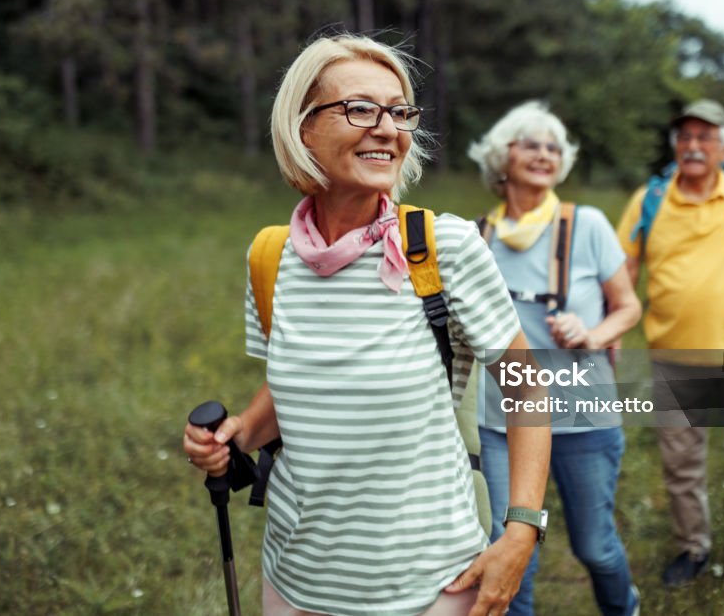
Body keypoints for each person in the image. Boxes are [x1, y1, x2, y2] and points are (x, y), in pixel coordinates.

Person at [183, 34, 551, 616]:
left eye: (399, 112)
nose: (387, 129)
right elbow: (297, 386)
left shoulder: (446, 248)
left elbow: (527, 389)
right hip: (296, 580)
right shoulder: (271, 257)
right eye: (360, 109)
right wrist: (238, 433)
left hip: (430, 586)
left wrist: (523, 530)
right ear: (304, 128)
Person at [468, 101, 642, 616]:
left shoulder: (588, 225)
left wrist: (592, 334)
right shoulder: (476, 237)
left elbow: (628, 306)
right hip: (502, 421)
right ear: (502, 157)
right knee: (510, 552)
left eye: (553, 147)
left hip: (582, 416)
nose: (544, 154)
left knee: (595, 546)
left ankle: (624, 608)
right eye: (531, 144)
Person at [614, 99, 724, 587]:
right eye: (686, 137)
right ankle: (692, 547)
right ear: (676, 146)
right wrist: (613, 329)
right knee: (681, 461)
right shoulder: (649, 198)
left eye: (705, 137)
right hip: (674, 352)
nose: (694, 146)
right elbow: (625, 268)